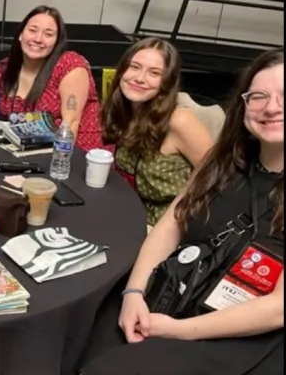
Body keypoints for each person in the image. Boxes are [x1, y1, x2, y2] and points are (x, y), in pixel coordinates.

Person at [80, 48, 284, 375]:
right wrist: (135, 292)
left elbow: (278, 309)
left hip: (241, 332)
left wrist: (177, 330)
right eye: (259, 96)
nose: (272, 107)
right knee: (88, 329)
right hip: (179, 290)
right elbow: (171, 225)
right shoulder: (223, 161)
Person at [101, 37, 214, 226]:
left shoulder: (178, 120)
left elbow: (219, 177)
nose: (139, 78)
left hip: (170, 225)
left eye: (154, 73)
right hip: (130, 213)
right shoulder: (125, 110)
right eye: (135, 67)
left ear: (166, 82)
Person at [0, 5, 105, 152]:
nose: (38, 39)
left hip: (75, 153)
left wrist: (56, 165)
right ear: (21, 34)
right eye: (32, 30)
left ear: (56, 42)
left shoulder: (69, 65)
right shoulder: (5, 69)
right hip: (29, 150)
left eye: (48, 34)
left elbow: (70, 124)